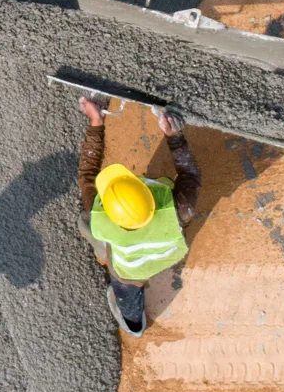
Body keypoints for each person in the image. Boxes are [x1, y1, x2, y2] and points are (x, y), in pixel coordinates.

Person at [76, 96, 203, 336]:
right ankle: (133, 320)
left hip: (129, 270)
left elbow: (88, 172)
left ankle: (134, 323)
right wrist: (173, 137)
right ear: (144, 190)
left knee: (85, 223)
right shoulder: (177, 210)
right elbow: (191, 174)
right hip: (165, 255)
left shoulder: (100, 217)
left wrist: (96, 121)